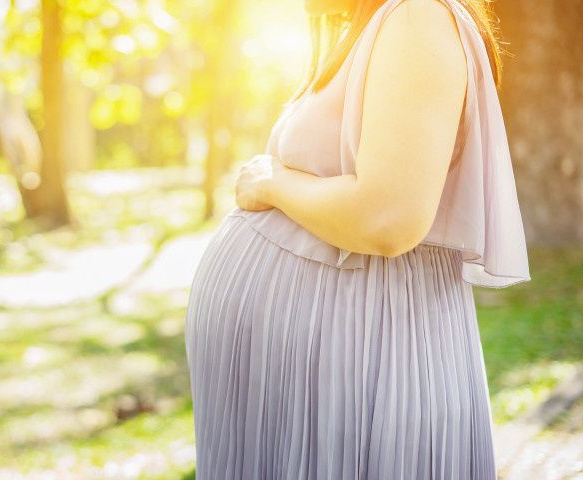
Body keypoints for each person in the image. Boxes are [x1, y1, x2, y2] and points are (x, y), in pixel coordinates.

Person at [184, 0, 531, 478]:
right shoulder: (374, 26)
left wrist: (271, 183)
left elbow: (388, 218)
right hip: (318, 374)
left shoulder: (418, 20)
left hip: (363, 357)